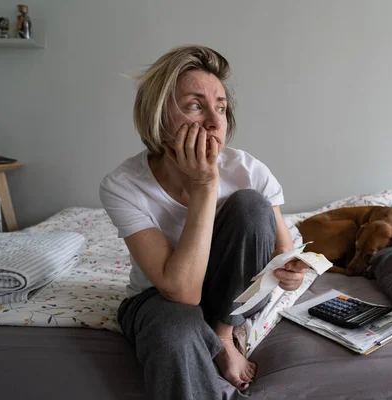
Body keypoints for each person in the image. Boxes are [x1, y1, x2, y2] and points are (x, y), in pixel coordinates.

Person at [99, 44, 310, 400]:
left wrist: (291, 272)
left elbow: (282, 252)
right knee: (174, 330)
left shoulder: (248, 170)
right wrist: (204, 186)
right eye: (195, 106)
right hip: (160, 297)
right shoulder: (123, 185)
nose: (215, 121)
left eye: (221, 108)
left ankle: (223, 334)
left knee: (250, 205)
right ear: (158, 116)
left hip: (232, 295)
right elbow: (181, 292)